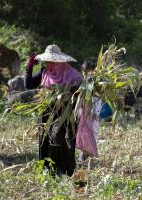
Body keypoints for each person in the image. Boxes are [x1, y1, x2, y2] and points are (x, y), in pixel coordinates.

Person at [25, 44, 96, 176]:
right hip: (46, 113)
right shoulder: (45, 72)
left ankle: (66, 172)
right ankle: (47, 171)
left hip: (66, 115)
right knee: (45, 142)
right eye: (47, 61)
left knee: (62, 142)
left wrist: (68, 92)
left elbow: (82, 93)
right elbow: (28, 84)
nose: (49, 64)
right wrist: (29, 67)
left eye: (53, 61)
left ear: (60, 61)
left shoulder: (72, 75)